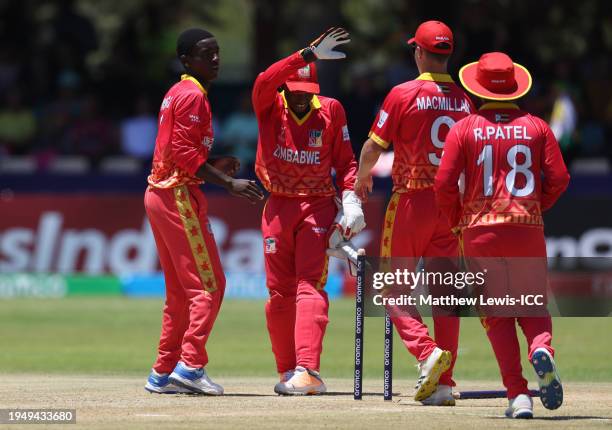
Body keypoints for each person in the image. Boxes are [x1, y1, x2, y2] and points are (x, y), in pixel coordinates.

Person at [435, 52, 569, 418]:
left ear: (477, 86)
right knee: (532, 304)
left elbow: (444, 183)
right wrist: (536, 205)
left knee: (496, 315)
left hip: (479, 230)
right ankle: (541, 348)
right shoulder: (537, 126)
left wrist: (455, 219)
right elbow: (559, 178)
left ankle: (518, 395)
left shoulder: (464, 128)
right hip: (526, 228)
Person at [355, 21, 475, 405]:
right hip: (451, 204)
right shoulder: (465, 99)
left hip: (411, 200)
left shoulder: (403, 93)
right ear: (448, 54)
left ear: (419, 52)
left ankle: (426, 353)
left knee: (393, 288)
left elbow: (374, 146)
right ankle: (444, 384)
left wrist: (360, 180)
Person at [143, 28, 264, 395]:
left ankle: (164, 372)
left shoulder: (177, 92)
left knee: (181, 293)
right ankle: (191, 365)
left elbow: (179, 151)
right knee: (210, 286)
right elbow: (182, 155)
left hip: (161, 193)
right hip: (178, 195)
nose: (215, 59)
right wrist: (229, 184)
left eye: (217, 52)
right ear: (186, 60)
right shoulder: (193, 96)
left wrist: (214, 163)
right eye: (205, 53)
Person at [252, 27, 364, 395]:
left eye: (307, 95)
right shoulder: (270, 106)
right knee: (278, 294)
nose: (302, 101)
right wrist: (305, 56)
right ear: (286, 90)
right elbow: (265, 79)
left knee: (309, 286)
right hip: (278, 206)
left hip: (316, 205)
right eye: (296, 95)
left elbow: (347, 162)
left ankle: (308, 370)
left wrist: (351, 198)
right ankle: (288, 371)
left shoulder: (331, 110)